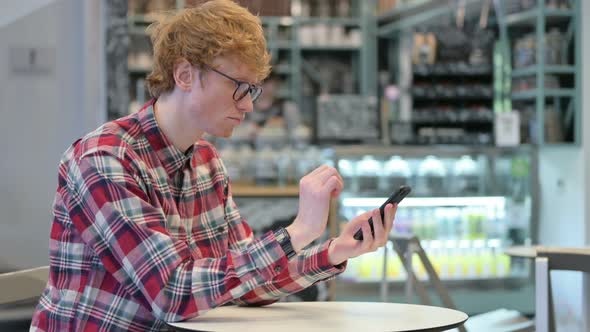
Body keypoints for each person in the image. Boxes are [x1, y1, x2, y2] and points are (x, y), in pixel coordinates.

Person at [30, 1, 398, 331]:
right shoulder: (104, 158)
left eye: (253, 89)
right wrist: (298, 231)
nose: (249, 105)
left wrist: (334, 250)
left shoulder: (206, 161)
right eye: (240, 85)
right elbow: (171, 294)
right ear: (185, 74)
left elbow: (246, 282)